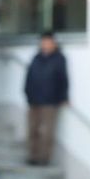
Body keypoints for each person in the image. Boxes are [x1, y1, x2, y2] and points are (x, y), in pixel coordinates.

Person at [24, 31, 68, 166]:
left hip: (50, 101)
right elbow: (29, 77)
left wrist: (63, 96)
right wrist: (27, 93)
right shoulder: (36, 58)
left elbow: (63, 79)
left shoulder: (59, 59)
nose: (46, 45)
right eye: (43, 42)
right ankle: (33, 156)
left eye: (48, 42)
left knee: (47, 132)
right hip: (34, 100)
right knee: (32, 130)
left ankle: (45, 158)